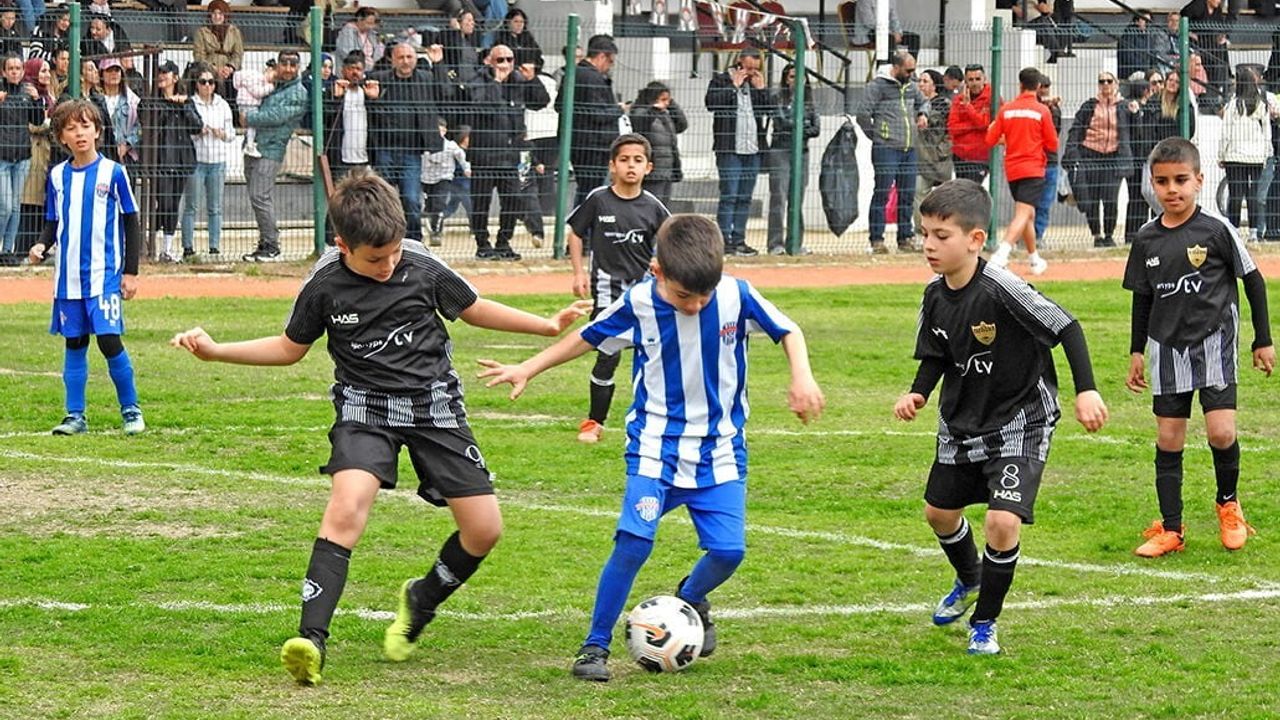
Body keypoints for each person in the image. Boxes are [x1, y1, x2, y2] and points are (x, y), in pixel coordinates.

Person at [169, 171, 592, 687]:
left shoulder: (420, 265)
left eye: (393, 253)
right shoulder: (324, 283)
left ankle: (422, 600)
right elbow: (288, 349)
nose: (388, 265)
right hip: (365, 408)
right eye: (374, 259)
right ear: (342, 244)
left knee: (485, 529)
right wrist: (216, 351)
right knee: (346, 507)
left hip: (434, 407)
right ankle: (312, 642)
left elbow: (474, 309)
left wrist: (545, 325)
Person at [476, 213, 825, 681]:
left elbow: (790, 331)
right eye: (685, 295)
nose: (697, 305)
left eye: (705, 294)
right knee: (633, 544)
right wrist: (529, 367)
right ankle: (594, 647)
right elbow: (586, 338)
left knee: (729, 552)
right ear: (658, 271)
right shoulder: (640, 301)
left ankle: (692, 596)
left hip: (719, 450)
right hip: (654, 450)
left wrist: (801, 376)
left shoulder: (736, 295)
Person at [894, 179, 1107, 655]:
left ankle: (985, 623)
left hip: (1020, 420)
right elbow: (936, 353)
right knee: (939, 513)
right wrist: (918, 394)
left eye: (941, 235)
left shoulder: (1003, 288)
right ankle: (970, 579)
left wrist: (1086, 390)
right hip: (963, 420)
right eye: (925, 233)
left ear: (974, 240)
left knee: (1002, 522)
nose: (928, 244)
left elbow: (1066, 326)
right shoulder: (933, 294)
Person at [1123, 137, 1273, 558]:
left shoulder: (1216, 229)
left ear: (1200, 181)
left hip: (1215, 343)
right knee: (1169, 438)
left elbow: (1253, 280)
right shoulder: (1147, 238)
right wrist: (1137, 351)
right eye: (1162, 182)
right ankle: (1171, 529)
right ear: (1152, 185)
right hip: (1167, 349)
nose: (1172, 189)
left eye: (1181, 180)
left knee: (1221, 432)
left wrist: (1263, 339)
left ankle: (1229, 505)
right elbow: (1142, 298)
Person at [27, 99, 144, 436]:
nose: (80, 133)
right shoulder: (58, 176)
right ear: (61, 137)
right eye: (71, 128)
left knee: (109, 341)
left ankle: (131, 409)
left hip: (104, 275)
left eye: (85, 126)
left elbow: (131, 222)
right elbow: (52, 221)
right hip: (68, 280)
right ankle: (74, 415)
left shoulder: (113, 172)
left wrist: (130, 272)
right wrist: (41, 245)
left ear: (97, 131)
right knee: (74, 342)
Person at [565, 134, 671, 444]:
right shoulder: (599, 199)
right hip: (607, 293)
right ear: (613, 165)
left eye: (638, 161)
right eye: (624, 160)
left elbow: (669, 243)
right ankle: (594, 423)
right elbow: (575, 233)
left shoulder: (654, 207)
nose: (630, 166)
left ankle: (654, 422)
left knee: (655, 357)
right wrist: (578, 272)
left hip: (645, 296)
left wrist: (660, 265)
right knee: (607, 354)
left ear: (648, 168)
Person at [459, 43, 549, 260]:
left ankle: (503, 241)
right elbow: (480, 106)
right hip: (485, 155)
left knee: (514, 199)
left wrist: (532, 79)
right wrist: (496, 82)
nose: (506, 64)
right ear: (489, 61)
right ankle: (482, 243)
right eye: (500, 60)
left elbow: (540, 102)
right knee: (481, 202)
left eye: (509, 60)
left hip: (512, 156)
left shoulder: (518, 80)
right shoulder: (478, 81)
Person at [368, 42, 448, 246]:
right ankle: (384, 241)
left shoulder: (426, 78)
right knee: (382, 201)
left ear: (415, 59)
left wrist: (438, 64)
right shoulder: (380, 80)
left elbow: (447, 94)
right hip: (384, 149)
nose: (405, 61)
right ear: (392, 59)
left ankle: (414, 242)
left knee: (411, 200)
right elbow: (368, 111)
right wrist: (374, 100)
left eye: (409, 57)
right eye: (401, 57)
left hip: (412, 152)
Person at [986, 67, 1058, 275]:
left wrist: (1008, 137)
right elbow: (1052, 144)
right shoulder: (1042, 111)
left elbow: (990, 139)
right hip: (1033, 168)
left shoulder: (1006, 110)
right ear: (1037, 86)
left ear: (1020, 84)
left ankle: (1034, 260)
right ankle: (1002, 253)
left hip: (1012, 169)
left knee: (1028, 214)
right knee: (1023, 213)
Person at [856, 50, 927, 254]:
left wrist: (923, 114)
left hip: (909, 147)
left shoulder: (911, 86)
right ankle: (877, 239)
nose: (913, 74)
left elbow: (923, 101)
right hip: (886, 148)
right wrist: (878, 136)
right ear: (896, 68)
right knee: (882, 193)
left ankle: (906, 238)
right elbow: (863, 114)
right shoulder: (877, 87)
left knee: (907, 194)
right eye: (909, 70)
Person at [705, 47, 771, 256]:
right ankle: (724, 240)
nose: (751, 72)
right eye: (748, 68)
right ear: (740, 62)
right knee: (730, 194)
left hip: (752, 148)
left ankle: (740, 239)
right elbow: (711, 104)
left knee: (745, 196)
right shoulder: (721, 80)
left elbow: (768, 112)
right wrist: (734, 86)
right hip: (729, 147)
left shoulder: (755, 83)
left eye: (755, 69)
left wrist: (762, 90)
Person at [241, 50, 306, 262]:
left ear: (298, 67)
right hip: (254, 146)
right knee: (256, 195)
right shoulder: (272, 84)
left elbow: (275, 116)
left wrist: (248, 117)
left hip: (271, 149)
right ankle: (265, 241)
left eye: (292, 64)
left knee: (260, 195)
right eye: (284, 64)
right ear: (278, 65)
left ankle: (271, 244)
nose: (288, 69)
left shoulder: (298, 92)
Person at [1064, 71, 1131, 248]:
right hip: (1090, 154)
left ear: (1116, 84)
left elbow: (1134, 131)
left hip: (1113, 156)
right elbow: (1076, 129)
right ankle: (1096, 235)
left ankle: (1109, 234)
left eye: (1109, 81)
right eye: (1102, 81)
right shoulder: (1089, 106)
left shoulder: (1124, 106)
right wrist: (1072, 152)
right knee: (1092, 198)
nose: (1105, 85)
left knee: (1110, 198)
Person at [146, 61, 201, 263]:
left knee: (173, 204)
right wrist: (169, 103)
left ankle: (167, 248)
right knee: (164, 202)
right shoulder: (151, 100)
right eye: (159, 73)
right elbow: (151, 122)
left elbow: (197, 126)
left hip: (181, 161)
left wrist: (184, 105)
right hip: (159, 161)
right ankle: (151, 242)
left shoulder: (186, 101)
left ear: (175, 77)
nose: (161, 76)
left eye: (165, 73)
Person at [558, 34, 622, 208]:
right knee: (592, 191)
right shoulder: (593, 78)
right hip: (595, 144)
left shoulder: (572, 74)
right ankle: (584, 228)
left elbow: (559, 105)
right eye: (610, 61)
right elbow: (598, 114)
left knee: (585, 188)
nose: (610, 66)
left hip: (576, 141)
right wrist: (619, 109)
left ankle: (579, 226)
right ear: (601, 56)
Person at [766, 63, 819, 256]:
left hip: (802, 153)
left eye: (800, 77)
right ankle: (775, 244)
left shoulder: (809, 101)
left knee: (797, 199)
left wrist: (799, 126)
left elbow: (816, 129)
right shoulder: (777, 99)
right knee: (778, 198)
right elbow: (782, 123)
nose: (795, 81)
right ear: (785, 79)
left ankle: (795, 243)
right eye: (791, 77)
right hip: (781, 151)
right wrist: (802, 124)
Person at [182, 63, 234, 258]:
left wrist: (221, 133)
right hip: (197, 160)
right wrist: (199, 131)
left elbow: (231, 134)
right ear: (196, 84)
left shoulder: (222, 104)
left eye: (211, 82)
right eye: (203, 82)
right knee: (191, 205)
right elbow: (188, 131)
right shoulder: (191, 103)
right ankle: (188, 247)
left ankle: (214, 246)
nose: (207, 86)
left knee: (215, 207)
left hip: (217, 161)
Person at [1218, 67, 1270, 239]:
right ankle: (1254, 232)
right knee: (1252, 193)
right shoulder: (1262, 105)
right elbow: (1266, 132)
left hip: (1234, 156)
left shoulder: (1233, 105)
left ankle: (1234, 230)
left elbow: (1225, 133)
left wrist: (1221, 155)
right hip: (1255, 156)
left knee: (1236, 193)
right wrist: (1265, 154)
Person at [0, 53, 43, 254]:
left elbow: (37, 121)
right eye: (11, 69)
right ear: (4, 72)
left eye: (18, 68)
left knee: (16, 207)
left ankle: (8, 251)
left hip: (23, 157)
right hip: (2, 157)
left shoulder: (27, 93)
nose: (15, 72)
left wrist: (36, 100)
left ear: (23, 71)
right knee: (5, 206)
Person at [627, 80, 687, 208]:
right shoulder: (640, 112)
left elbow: (681, 125)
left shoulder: (665, 115)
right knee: (651, 204)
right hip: (653, 169)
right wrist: (653, 110)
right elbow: (640, 124)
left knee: (663, 206)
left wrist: (672, 106)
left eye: (668, 100)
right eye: (663, 99)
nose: (666, 103)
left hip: (667, 168)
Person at [913, 69, 953, 236]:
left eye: (925, 81)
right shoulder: (915, 104)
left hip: (939, 158)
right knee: (919, 195)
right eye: (919, 81)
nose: (920, 85)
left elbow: (951, 131)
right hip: (920, 158)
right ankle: (921, 231)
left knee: (944, 199)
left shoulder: (944, 104)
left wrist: (942, 150)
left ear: (934, 84)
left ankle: (944, 231)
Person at [421, 119, 469, 246]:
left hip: (444, 178)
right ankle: (430, 224)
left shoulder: (451, 145)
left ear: (445, 131)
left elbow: (461, 156)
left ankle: (436, 232)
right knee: (429, 207)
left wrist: (467, 169)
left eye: (441, 130)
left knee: (439, 204)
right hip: (425, 179)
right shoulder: (423, 144)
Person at [948, 64, 995, 184]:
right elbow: (952, 128)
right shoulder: (958, 99)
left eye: (978, 79)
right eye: (971, 79)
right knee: (961, 192)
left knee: (972, 192)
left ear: (984, 79)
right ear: (965, 81)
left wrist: (968, 107)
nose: (974, 83)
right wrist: (975, 124)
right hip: (960, 155)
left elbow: (984, 124)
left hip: (980, 157)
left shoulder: (992, 99)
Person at [1032, 74, 1063, 249]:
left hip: (1049, 160)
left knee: (1044, 203)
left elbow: (1054, 133)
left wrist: (1050, 109)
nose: (1044, 90)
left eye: (1046, 86)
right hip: (1034, 161)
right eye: (1041, 86)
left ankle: (1038, 235)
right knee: (1030, 203)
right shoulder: (1031, 108)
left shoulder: (1054, 109)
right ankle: (1028, 235)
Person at [192, 0, 243, 104]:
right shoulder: (201, 32)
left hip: (229, 71)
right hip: (209, 69)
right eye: (214, 13)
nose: (217, 17)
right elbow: (199, 55)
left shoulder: (234, 32)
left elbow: (238, 54)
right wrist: (213, 69)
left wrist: (230, 68)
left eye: (220, 13)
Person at [98, 58, 140, 169]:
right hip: (101, 154)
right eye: (109, 70)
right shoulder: (96, 100)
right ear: (101, 74)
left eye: (117, 70)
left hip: (126, 157)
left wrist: (127, 145)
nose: (114, 74)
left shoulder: (132, 101)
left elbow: (139, 127)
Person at [335, 7, 384, 73]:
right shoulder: (347, 32)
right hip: (352, 71)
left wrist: (377, 65)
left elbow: (380, 52)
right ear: (359, 19)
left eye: (373, 24)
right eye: (368, 23)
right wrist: (367, 65)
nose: (371, 27)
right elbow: (348, 54)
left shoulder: (372, 34)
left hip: (371, 71)